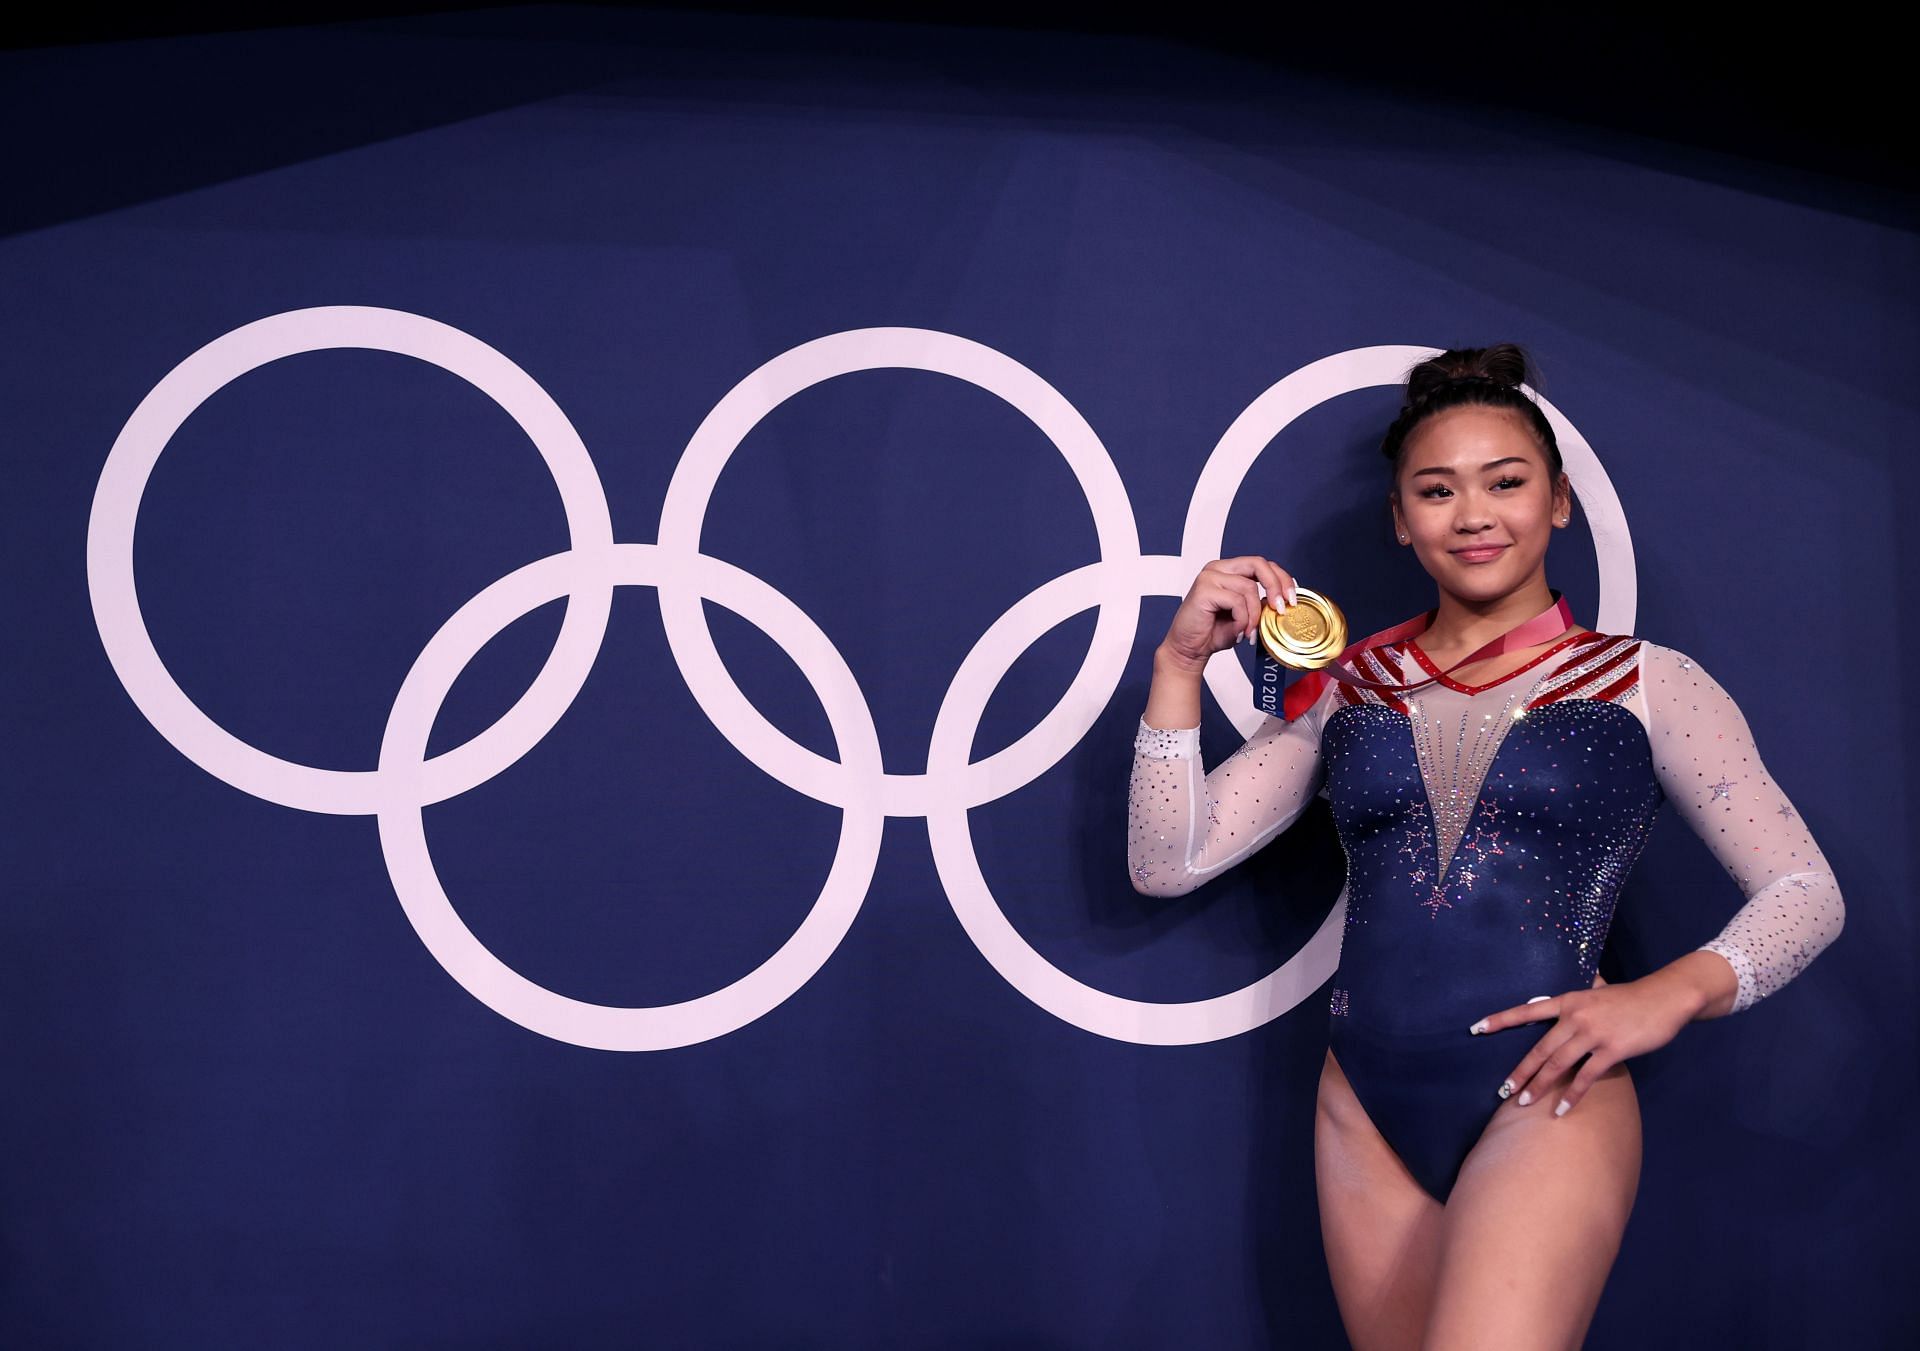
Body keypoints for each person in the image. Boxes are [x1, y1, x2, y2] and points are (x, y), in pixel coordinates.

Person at [1125, 344, 1845, 1350]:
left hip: (1549, 1090)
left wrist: (1667, 992)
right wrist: (1179, 663)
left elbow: (1806, 889)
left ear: (1557, 502)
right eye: (1437, 490)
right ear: (1399, 519)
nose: (1473, 515)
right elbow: (1168, 860)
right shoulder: (1347, 683)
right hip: (1362, 1107)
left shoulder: (1647, 682)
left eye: (1506, 483)